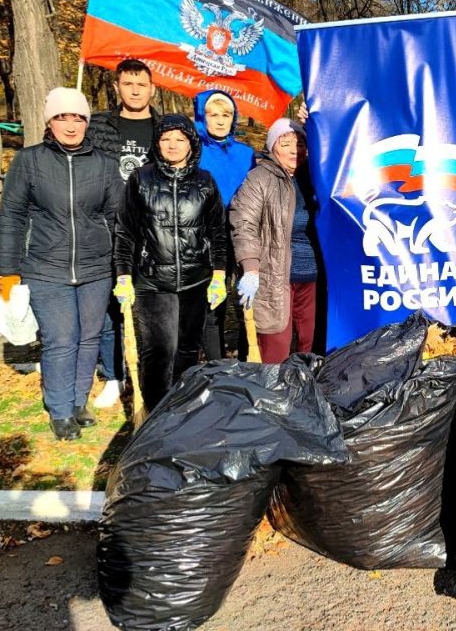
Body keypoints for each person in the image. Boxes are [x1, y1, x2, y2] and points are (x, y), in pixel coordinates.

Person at [0, 88, 121, 439]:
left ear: (86, 122)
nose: (71, 124)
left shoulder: (104, 165)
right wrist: (5, 271)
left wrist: (122, 269)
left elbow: (117, 219)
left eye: (78, 117)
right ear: (50, 121)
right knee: (61, 338)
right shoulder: (29, 161)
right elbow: (11, 217)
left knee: (89, 337)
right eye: (62, 117)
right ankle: (61, 408)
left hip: (96, 268)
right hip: (45, 267)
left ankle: (79, 401)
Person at [113, 114, 227, 410]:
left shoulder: (205, 182)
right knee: (160, 350)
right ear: (157, 143)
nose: (172, 145)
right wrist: (123, 274)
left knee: (188, 350)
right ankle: (157, 413)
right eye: (166, 139)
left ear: (191, 144)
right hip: (153, 281)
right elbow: (125, 231)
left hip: (196, 279)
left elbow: (217, 231)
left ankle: (183, 410)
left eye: (180, 139)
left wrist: (219, 273)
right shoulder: (141, 179)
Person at [88, 59, 160, 408]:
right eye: (128, 83)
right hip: (105, 227)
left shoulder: (164, 128)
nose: (134, 90)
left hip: (151, 232)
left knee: (148, 305)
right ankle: (114, 375)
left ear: (152, 88)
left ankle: (148, 372)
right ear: (117, 86)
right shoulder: (98, 126)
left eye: (141, 84)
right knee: (109, 306)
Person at [230, 119, 322, 362]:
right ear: (272, 147)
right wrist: (250, 268)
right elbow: (243, 222)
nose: (295, 150)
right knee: (275, 346)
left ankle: (302, 394)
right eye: (286, 143)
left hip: (310, 279)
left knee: (306, 344)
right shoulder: (259, 178)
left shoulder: (314, 178)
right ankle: (272, 397)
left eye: (300, 143)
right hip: (274, 277)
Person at [193, 89, 255, 360]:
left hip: (242, 234)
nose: (219, 121)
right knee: (213, 301)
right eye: (213, 114)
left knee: (247, 301)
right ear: (201, 116)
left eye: (226, 115)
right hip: (207, 238)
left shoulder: (246, 154)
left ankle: (246, 358)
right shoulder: (193, 151)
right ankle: (216, 364)